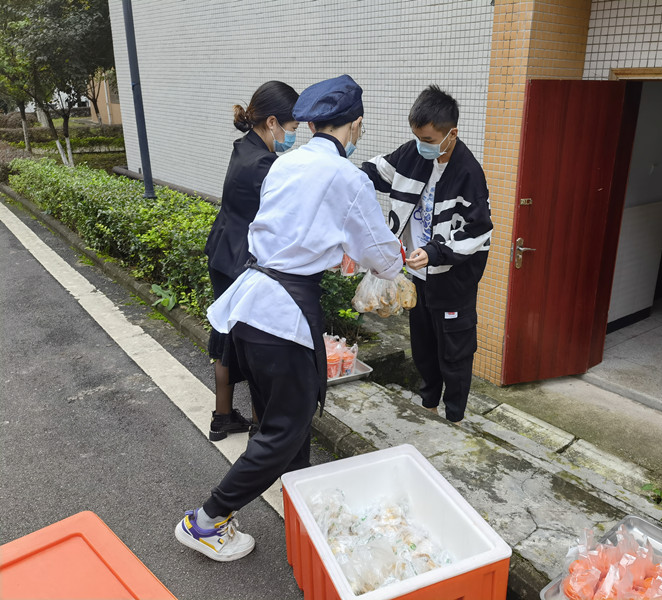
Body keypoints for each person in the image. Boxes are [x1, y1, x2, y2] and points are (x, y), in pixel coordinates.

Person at [175, 75, 403, 562]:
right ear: (355, 124)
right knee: (286, 429)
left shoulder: (285, 163)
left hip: (252, 302)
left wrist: (338, 247)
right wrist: (400, 259)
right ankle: (206, 520)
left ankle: (302, 514)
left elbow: (295, 232)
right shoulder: (347, 177)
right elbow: (383, 258)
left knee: (281, 426)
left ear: (312, 122)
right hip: (286, 314)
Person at [362, 85, 492, 424]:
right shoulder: (411, 154)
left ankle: (455, 417)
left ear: (452, 134)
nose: (423, 145)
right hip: (417, 276)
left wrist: (434, 252)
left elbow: (478, 232)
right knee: (423, 348)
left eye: (430, 140)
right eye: (418, 137)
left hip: (452, 281)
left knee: (455, 351)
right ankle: (428, 406)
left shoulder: (469, 173)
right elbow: (375, 172)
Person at [203, 81, 300, 441]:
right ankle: (262, 425)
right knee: (255, 341)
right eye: (292, 129)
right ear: (272, 122)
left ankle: (223, 417)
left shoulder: (245, 147)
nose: (294, 137)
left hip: (223, 251)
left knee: (226, 337)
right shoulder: (263, 164)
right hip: (241, 262)